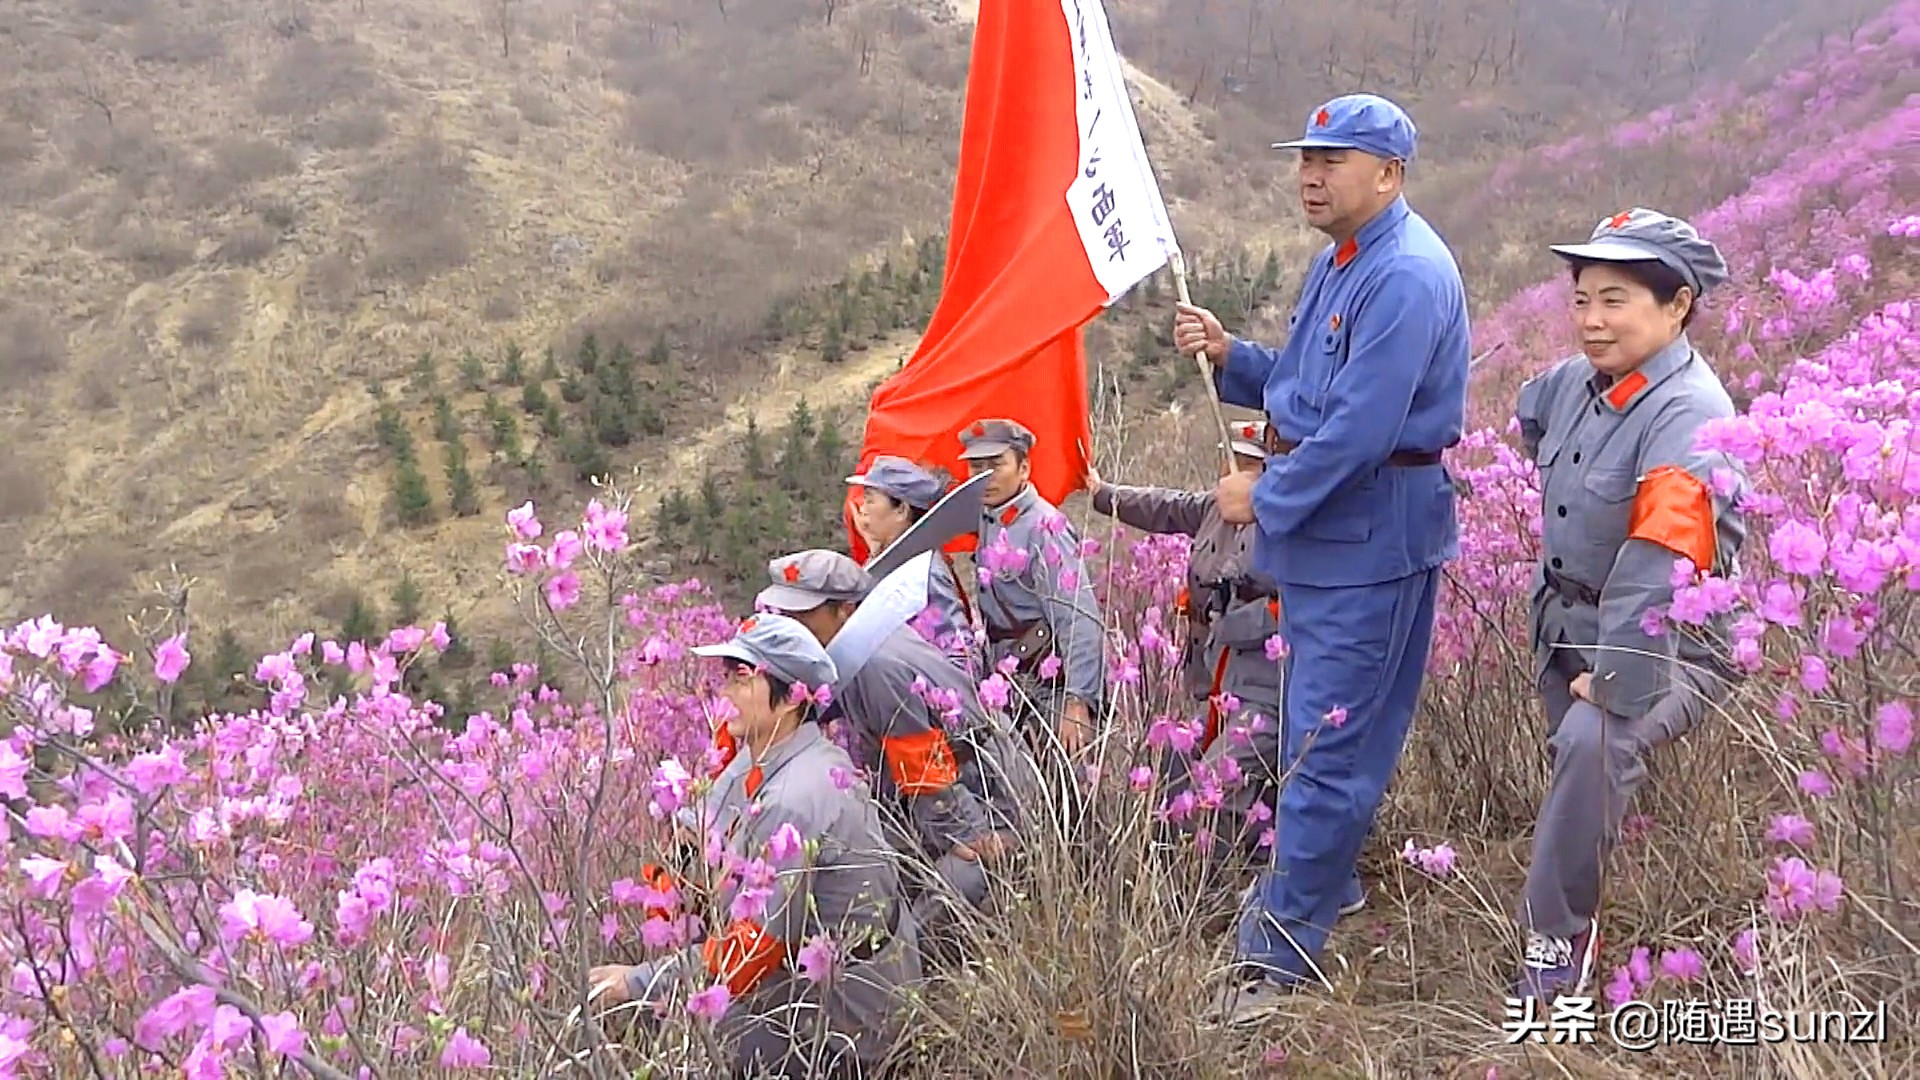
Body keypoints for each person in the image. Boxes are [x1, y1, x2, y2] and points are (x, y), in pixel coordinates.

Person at [1173, 92, 1469, 1014]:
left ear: (1389, 174)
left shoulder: (1407, 276)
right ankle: (1321, 885)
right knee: (1314, 732)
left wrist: (1263, 497)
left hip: (1369, 533)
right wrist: (1233, 358)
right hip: (1338, 538)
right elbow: (1310, 382)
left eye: (1333, 160)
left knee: (1327, 748)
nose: (1311, 174)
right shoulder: (1344, 261)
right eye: (1306, 156)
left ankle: (1279, 955)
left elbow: (1356, 431)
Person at [1510, 208, 1747, 1002]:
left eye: (1615, 299)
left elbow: (1659, 560)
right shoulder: (1578, 380)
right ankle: (1593, 850)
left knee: (1591, 741)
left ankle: (1559, 936)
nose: (1592, 320)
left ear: (1677, 305)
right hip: (1569, 617)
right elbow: (1530, 410)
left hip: (1667, 637)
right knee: (1577, 769)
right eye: (1581, 298)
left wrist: (1618, 680)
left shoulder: (1690, 414)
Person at [587, 613, 921, 1078]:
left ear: (789, 699)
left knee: (690, 1034)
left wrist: (638, 981)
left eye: (742, 679)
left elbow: (752, 952)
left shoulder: (796, 798)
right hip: (835, 982)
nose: (724, 693)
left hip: (848, 1019)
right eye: (727, 677)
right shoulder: (774, 753)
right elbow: (703, 822)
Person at [1084, 421, 1361, 916]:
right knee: (1187, 770)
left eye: (1252, 464)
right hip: (1215, 677)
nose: (1236, 471)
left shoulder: (1298, 517)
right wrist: (1103, 494)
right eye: (1233, 459)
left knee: (1225, 781)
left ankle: (1220, 896)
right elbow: (1163, 507)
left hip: (1272, 681)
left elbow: (1310, 602)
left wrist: (1243, 618)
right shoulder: (1213, 509)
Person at [753, 549, 1038, 933]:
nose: (792, 623)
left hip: (987, 791)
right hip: (943, 785)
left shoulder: (874, 664)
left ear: (845, 610)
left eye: (804, 613)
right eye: (785, 613)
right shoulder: (851, 648)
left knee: (927, 916)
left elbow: (924, 764)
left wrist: (968, 836)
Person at [961, 418, 1106, 761]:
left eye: (996, 465)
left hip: (1052, 689)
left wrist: (1078, 701)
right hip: (1015, 686)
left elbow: (1079, 617)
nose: (985, 476)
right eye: (976, 467)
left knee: (1062, 795)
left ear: (1023, 467)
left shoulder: (1043, 528)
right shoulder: (989, 517)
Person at [846, 455, 980, 666]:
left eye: (870, 500)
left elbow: (962, 659)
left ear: (901, 510)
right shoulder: (891, 558)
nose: (862, 508)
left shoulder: (926, 572)